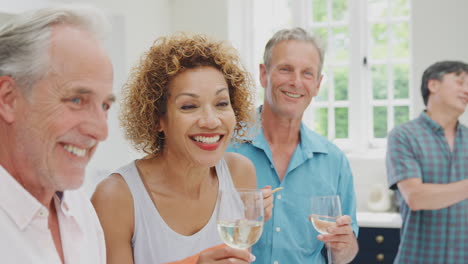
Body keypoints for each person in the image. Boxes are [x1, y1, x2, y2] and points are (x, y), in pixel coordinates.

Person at [91, 33, 273, 264]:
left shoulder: (240, 173)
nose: (211, 121)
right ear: (158, 119)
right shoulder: (116, 197)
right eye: (189, 106)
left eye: (221, 104)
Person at [227, 27, 358, 263]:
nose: (296, 82)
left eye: (307, 73)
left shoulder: (334, 160)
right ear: (264, 74)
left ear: (317, 84)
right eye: (285, 69)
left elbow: (344, 254)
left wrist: (344, 246)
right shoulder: (225, 148)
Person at [0, 5, 115, 264]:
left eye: (105, 105)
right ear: (8, 99)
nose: (101, 130)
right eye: (76, 99)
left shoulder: (81, 211)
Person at [386, 61, 468, 263]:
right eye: (460, 82)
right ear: (433, 85)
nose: (466, 90)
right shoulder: (404, 136)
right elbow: (416, 197)